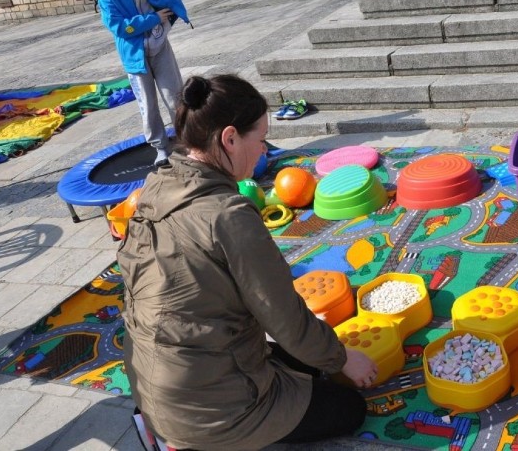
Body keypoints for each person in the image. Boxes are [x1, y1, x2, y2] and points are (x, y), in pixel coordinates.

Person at [117, 74, 377, 450]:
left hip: (154, 385)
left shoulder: (158, 184)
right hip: (206, 410)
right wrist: (342, 360)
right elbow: (282, 314)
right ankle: (194, 442)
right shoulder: (229, 215)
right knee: (347, 407)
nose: (264, 153)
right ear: (229, 138)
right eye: (260, 140)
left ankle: (175, 427)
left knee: (302, 355)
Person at [97, 0, 188, 167]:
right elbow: (118, 27)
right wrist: (152, 18)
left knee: (175, 96)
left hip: (160, 47)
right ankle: (160, 147)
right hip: (135, 57)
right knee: (148, 105)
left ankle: (186, 140)